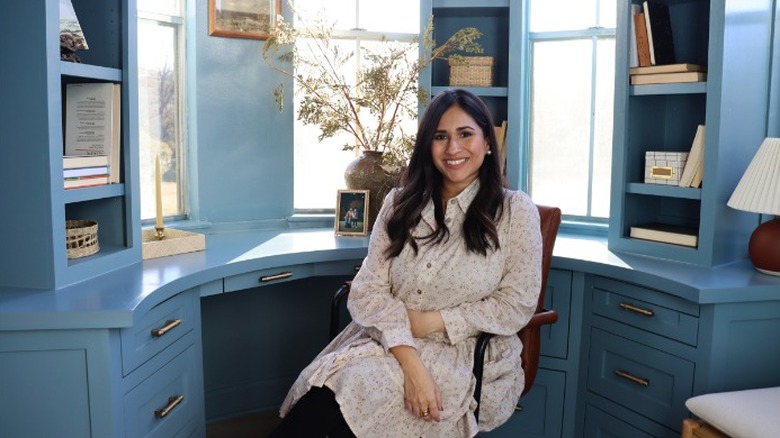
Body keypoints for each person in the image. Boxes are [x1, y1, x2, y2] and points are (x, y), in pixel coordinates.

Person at [270, 88, 542, 437]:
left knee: (348, 397)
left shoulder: (515, 212)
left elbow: (516, 303)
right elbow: (368, 290)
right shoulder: (399, 203)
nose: (453, 148)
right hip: (389, 341)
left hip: (464, 354)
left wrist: (432, 322)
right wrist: (411, 361)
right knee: (329, 394)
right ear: (427, 146)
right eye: (440, 137)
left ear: (487, 142)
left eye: (465, 134)